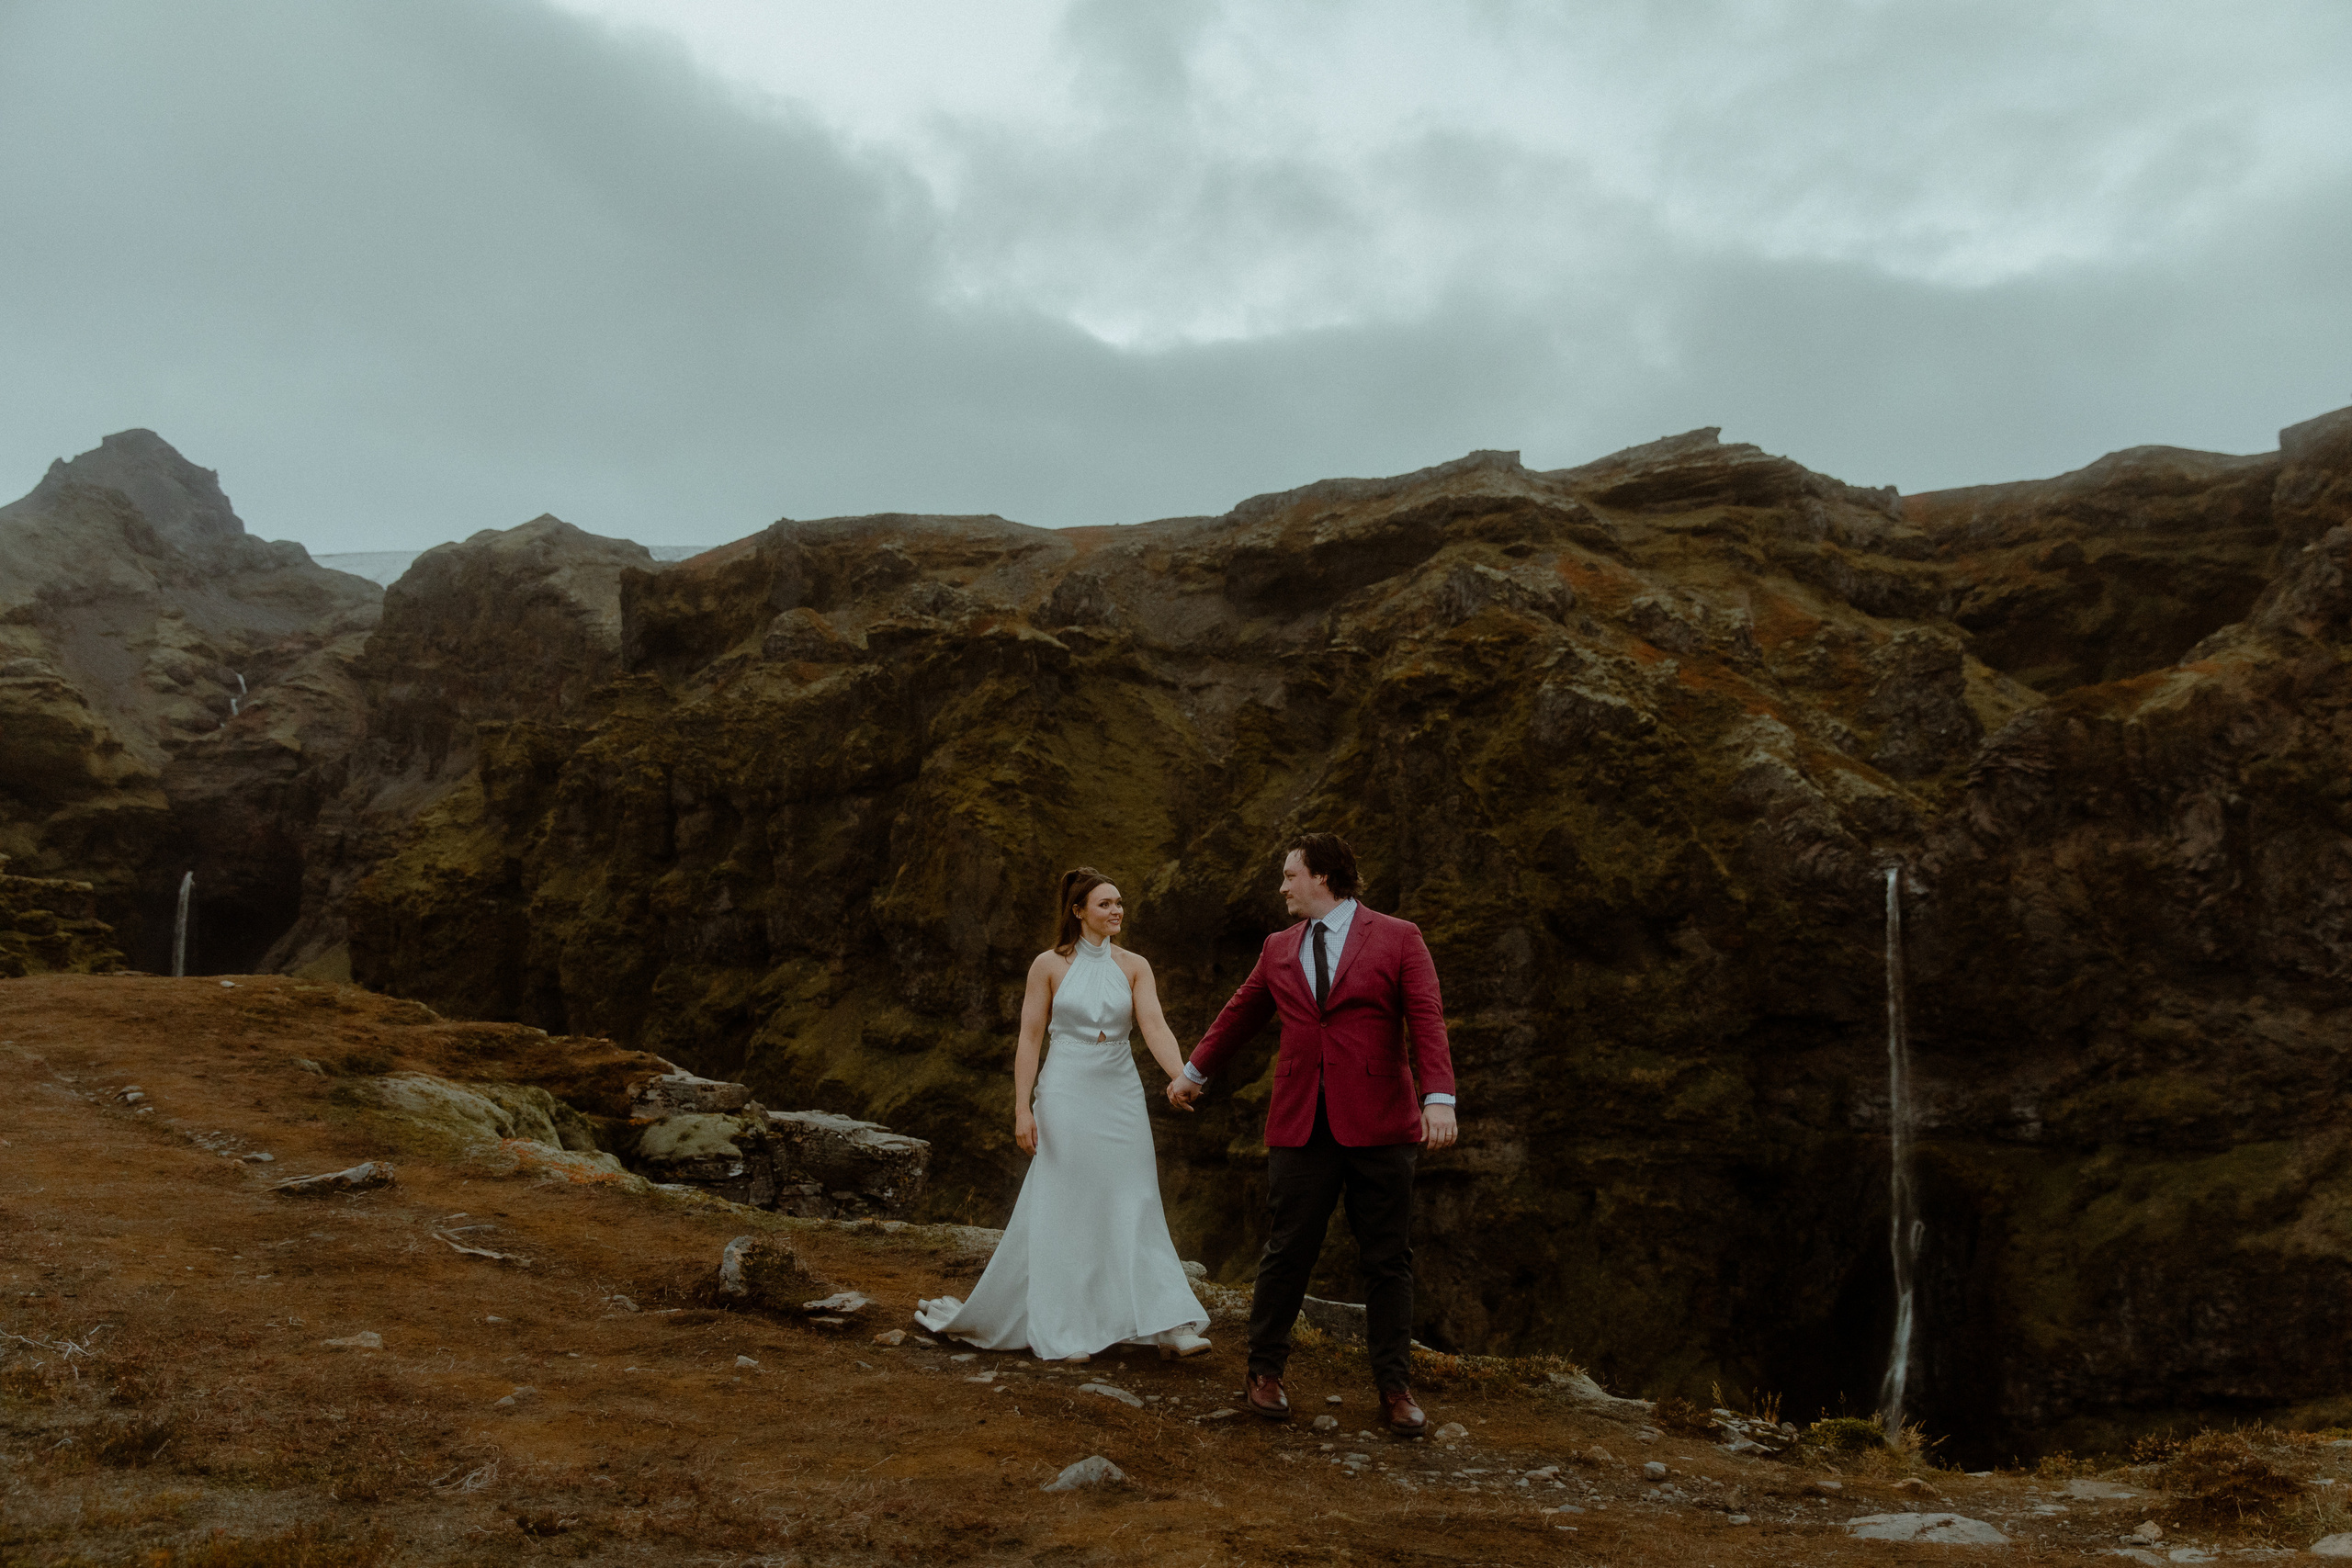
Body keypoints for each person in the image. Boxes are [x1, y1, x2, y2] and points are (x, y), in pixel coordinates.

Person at [1168, 832, 1457, 1437]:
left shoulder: (1399, 937)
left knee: (1387, 1260)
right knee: (1287, 1251)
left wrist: (1439, 1098)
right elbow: (1242, 1011)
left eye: (1289, 874)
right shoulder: (1277, 947)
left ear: (1323, 876)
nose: (1281, 885)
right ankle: (1264, 1373)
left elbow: (1426, 1016)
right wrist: (1193, 1072)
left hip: (1382, 1123)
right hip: (1301, 1123)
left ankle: (1394, 1388)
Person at [916, 867, 1213, 1362]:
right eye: (1104, 904)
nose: (1116, 911)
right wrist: (1021, 1108)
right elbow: (1030, 1037)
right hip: (1066, 1088)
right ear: (1078, 911)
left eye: (1119, 902)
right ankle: (1068, 1326)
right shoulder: (1048, 965)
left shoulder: (1135, 965)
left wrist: (1182, 1075)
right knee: (1069, 1202)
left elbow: (1154, 1025)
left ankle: (1169, 1323)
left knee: (1135, 1194)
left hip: (1119, 1089)